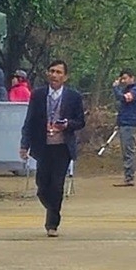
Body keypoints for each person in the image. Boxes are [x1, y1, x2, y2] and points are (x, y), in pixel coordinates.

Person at [19, 59, 86, 237]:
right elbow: (30, 121)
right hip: (43, 146)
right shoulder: (38, 95)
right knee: (42, 186)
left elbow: (80, 122)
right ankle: (53, 207)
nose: (54, 75)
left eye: (58, 72)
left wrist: (67, 125)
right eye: (52, 71)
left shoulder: (73, 97)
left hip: (62, 147)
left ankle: (52, 223)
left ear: (65, 77)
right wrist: (24, 145)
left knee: (57, 185)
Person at [112, 69, 136, 187]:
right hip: (124, 123)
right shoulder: (126, 90)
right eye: (122, 79)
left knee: (128, 150)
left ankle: (129, 177)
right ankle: (128, 176)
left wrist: (115, 89)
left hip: (130, 123)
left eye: (125, 78)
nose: (123, 81)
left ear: (132, 78)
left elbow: (125, 98)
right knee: (125, 150)